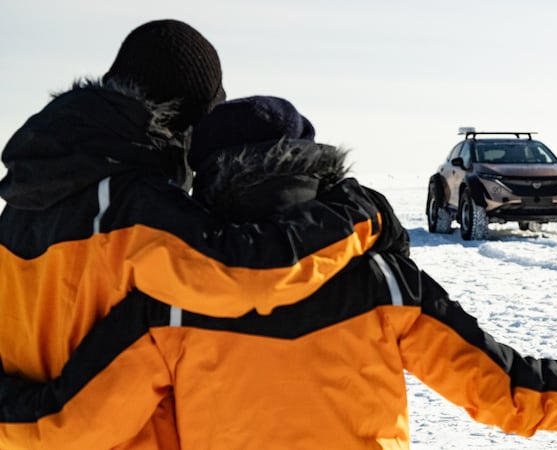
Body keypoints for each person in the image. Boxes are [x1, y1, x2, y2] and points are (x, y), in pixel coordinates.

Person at [0, 96, 557, 449]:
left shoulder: (169, 302)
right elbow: (509, 394)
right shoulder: (383, 284)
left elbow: (68, 427)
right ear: (317, 169)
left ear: (207, 182)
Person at [0, 21, 403, 449]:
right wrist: (357, 214)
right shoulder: (133, 205)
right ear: (180, 120)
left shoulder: (23, 204)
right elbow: (248, 275)